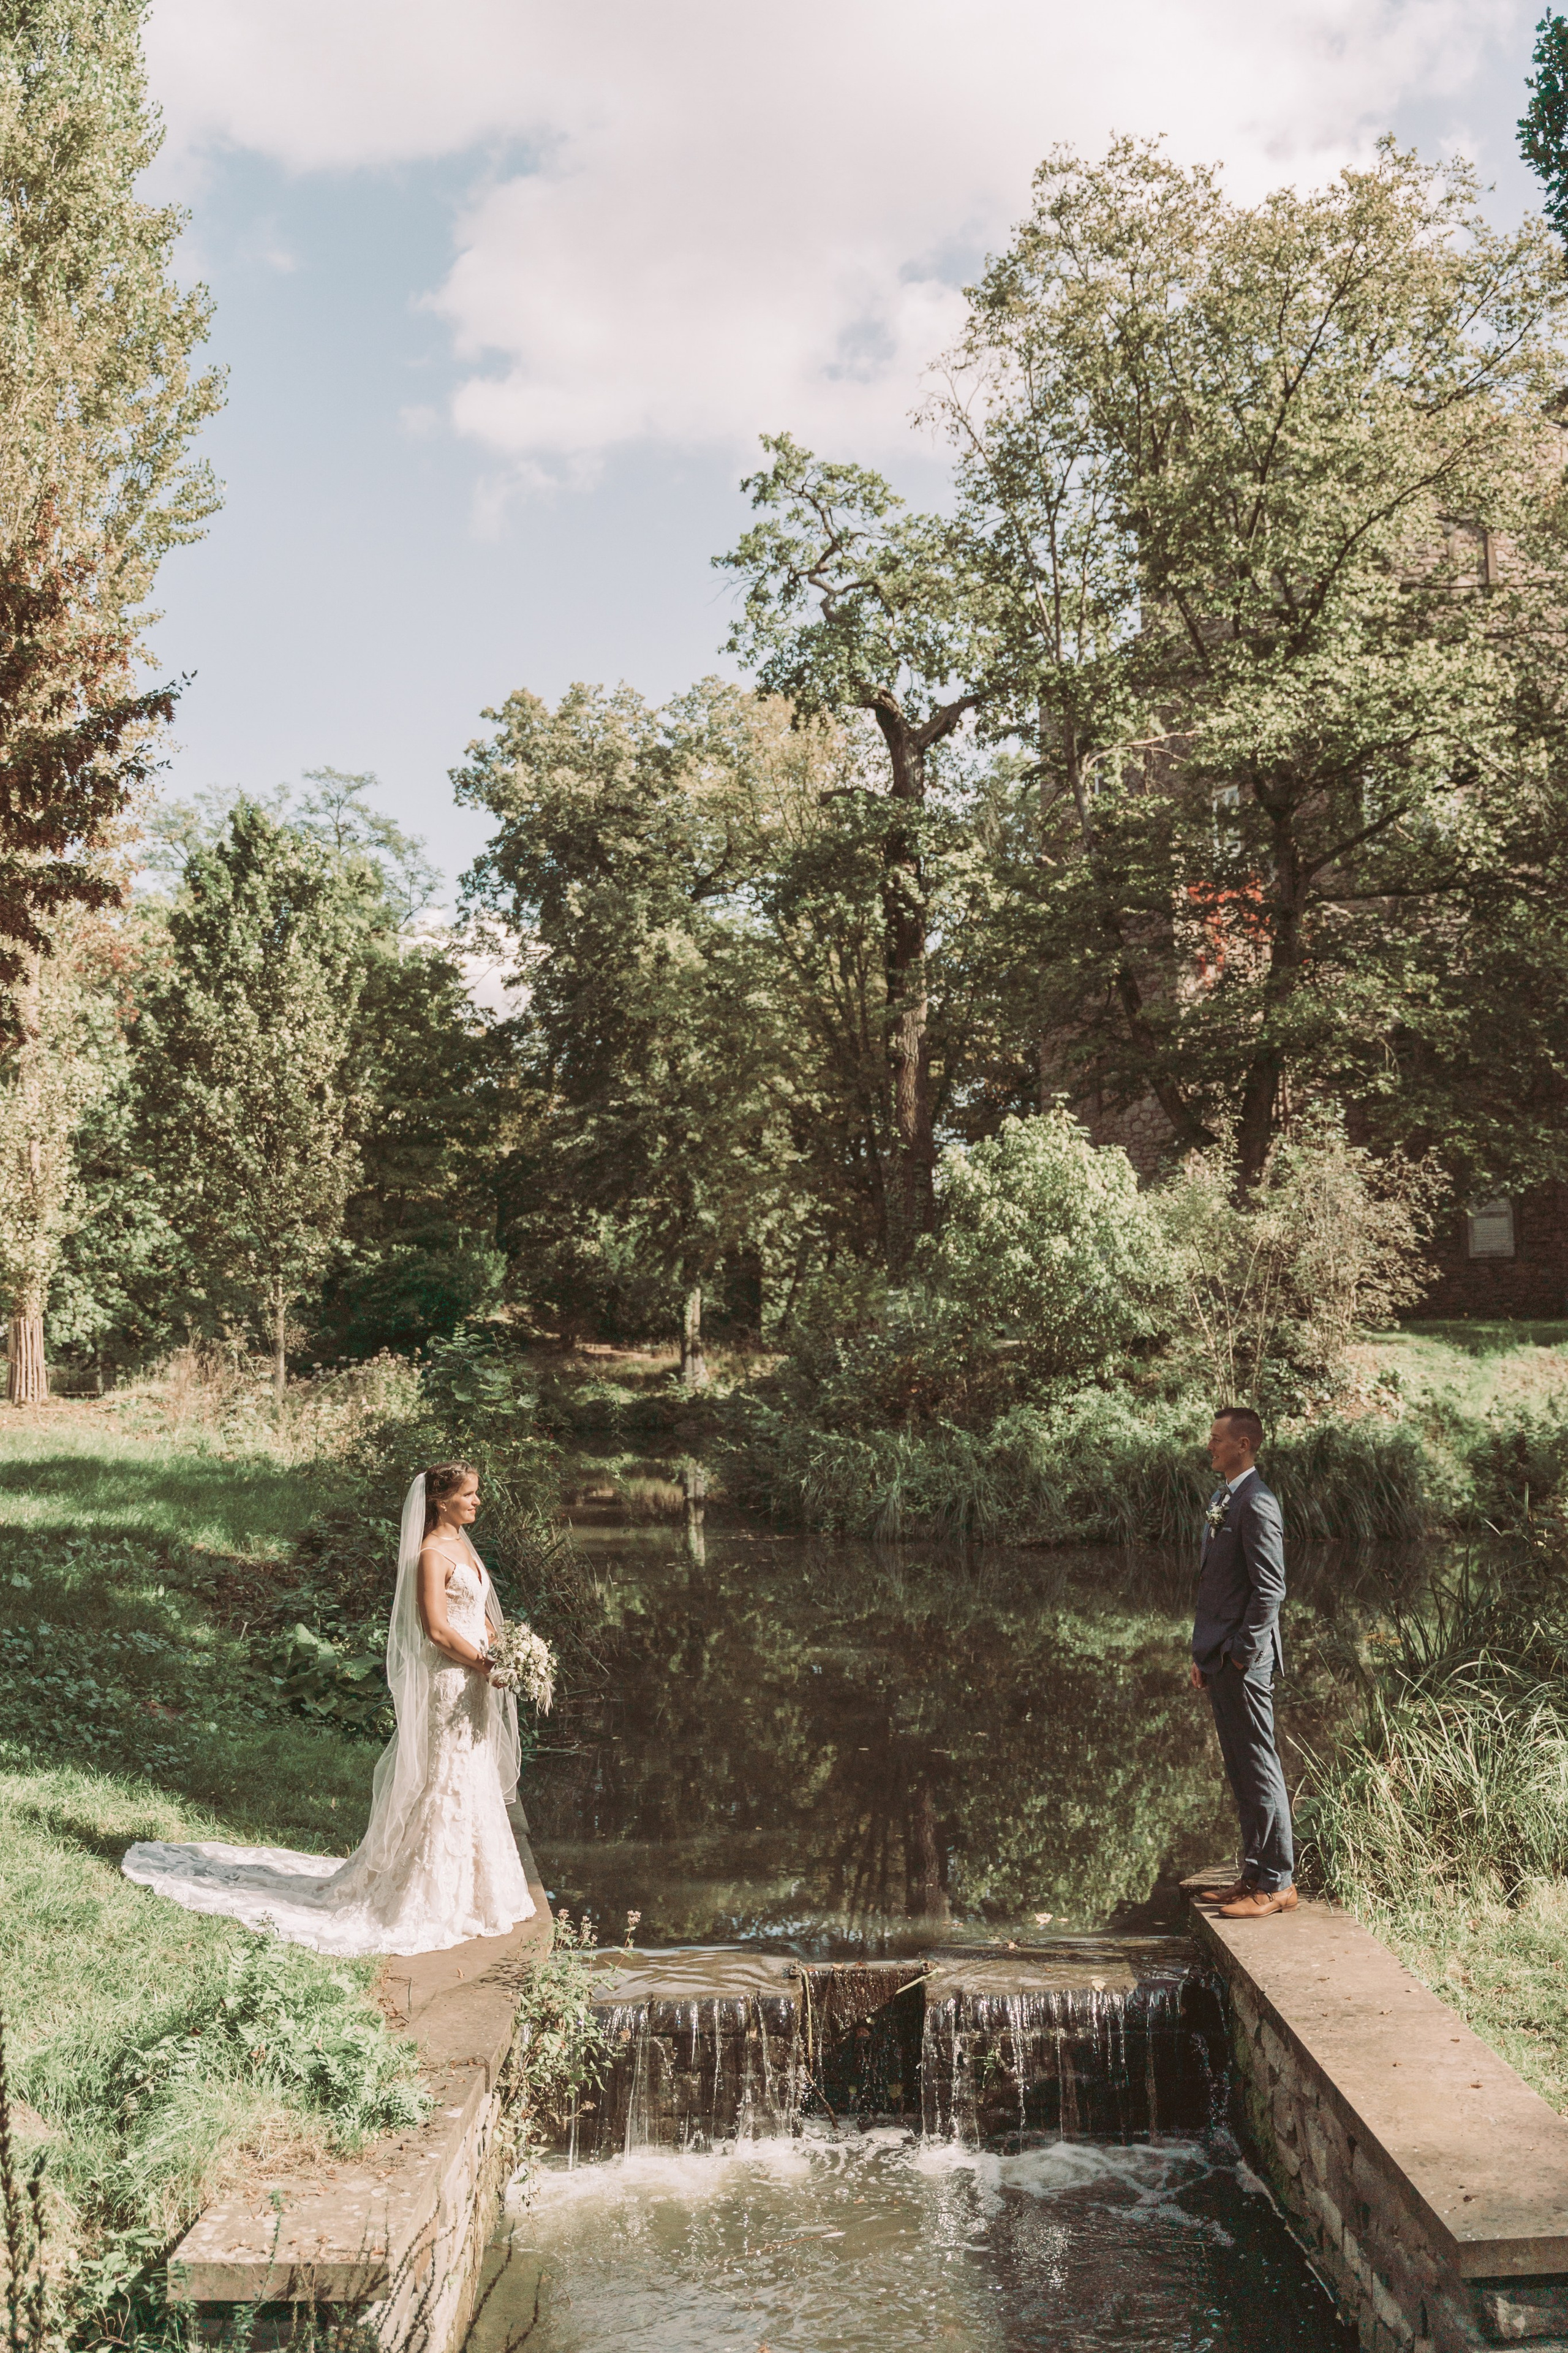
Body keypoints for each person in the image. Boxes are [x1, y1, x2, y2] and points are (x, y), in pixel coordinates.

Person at [121, 1464, 537, 1956]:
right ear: (441, 1500)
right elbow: (438, 1630)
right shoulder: (429, 1554)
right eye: (468, 1494)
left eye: (476, 1493)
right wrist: (486, 1663)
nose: (477, 1502)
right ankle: (424, 1892)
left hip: (477, 1681)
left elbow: (478, 1615)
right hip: (452, 1680)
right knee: (445, 1777)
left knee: (471, 1774)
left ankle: (479, 1891)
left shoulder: (465, 1544)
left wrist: (507, 1653)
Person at [1188, 1407, 1297, 1919]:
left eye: (1217, 1439)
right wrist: (1204, 1653)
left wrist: (1238, 1655)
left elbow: (1269, 1590)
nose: (1209, 1446)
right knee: (1239, 1768)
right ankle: (1253, 1873)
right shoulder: (1222, 1496)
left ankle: (1278, 1883)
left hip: (1244, 1662)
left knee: (1259, 1766)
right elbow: (1217, 1586)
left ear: (1244, 1444)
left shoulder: (1259, 1503)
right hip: (1221, 1656)